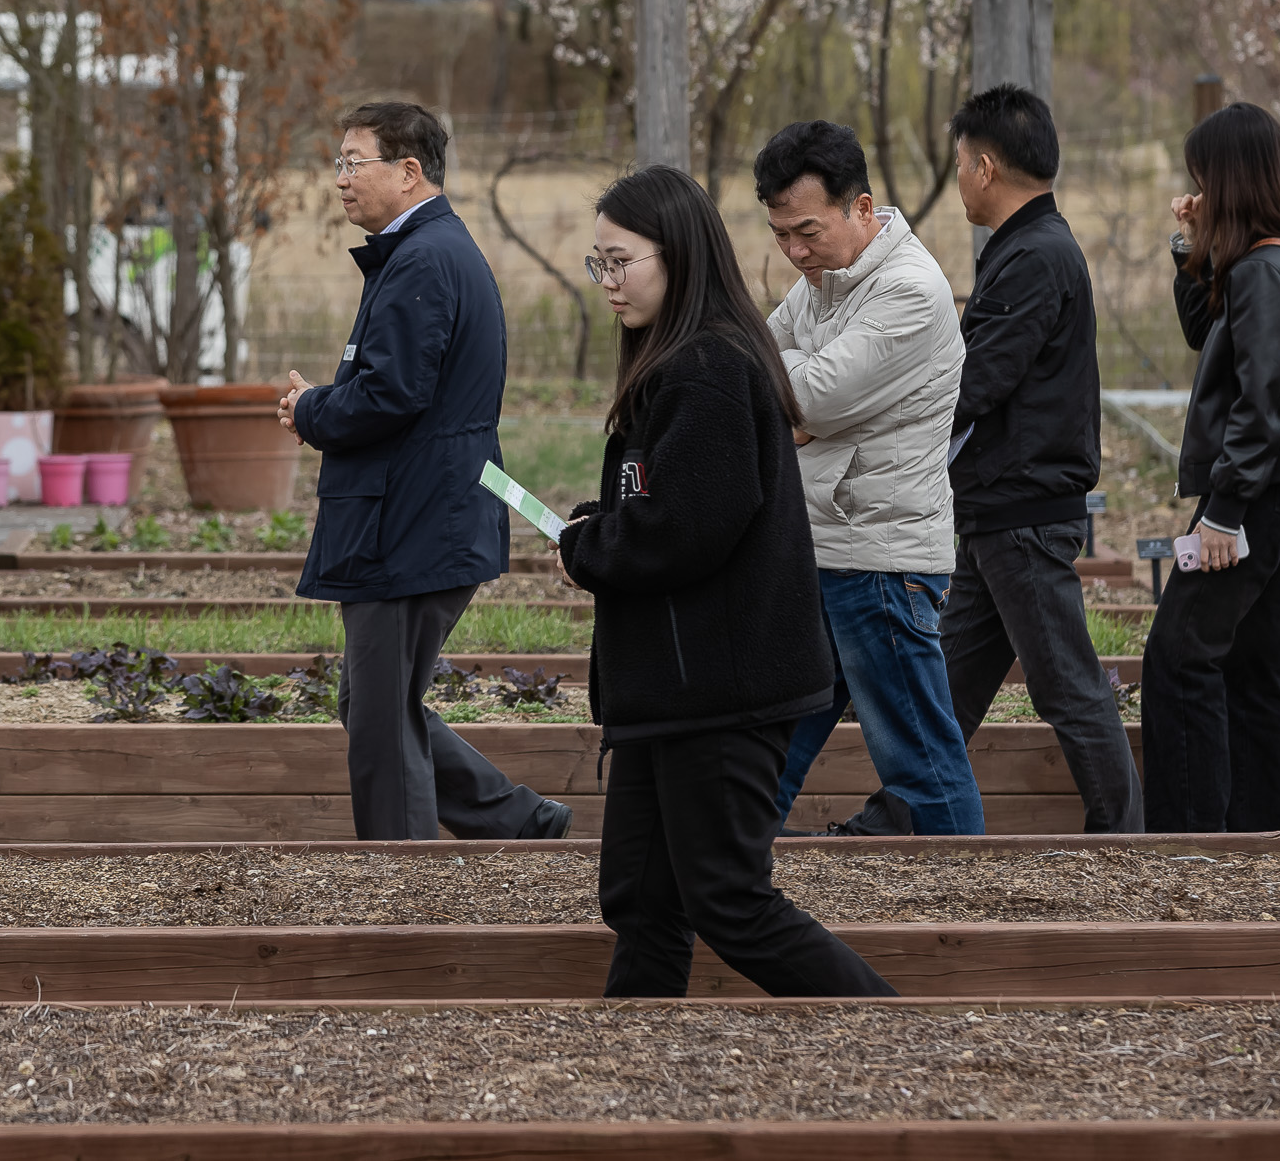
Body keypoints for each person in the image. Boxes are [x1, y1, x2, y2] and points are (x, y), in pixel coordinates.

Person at [557, 166, 896, 998]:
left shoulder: (708, 367)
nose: (607, 282)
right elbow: (665, 499)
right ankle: (637, 1078)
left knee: (729, 898)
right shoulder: (676, 361)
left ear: (677, 256)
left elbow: (685, 531)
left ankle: (892, 1028)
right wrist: (601, 517)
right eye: (596, 262)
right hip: (670, 692)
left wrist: (592, 545)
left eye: (619, 260)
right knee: (642, 898)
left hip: (720, 688)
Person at [278, 101, 569, 842]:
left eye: (353, 161)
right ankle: (521, 819)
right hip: (416, 513)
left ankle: (401, 886)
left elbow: (391, 394)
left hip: (407, 521)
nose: (339, 179)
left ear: (409, 172)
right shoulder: (424, 252)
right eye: (337, 163)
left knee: (379, 717)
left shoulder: (423, 259)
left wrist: (313, 409)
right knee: (374, 703)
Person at [756, 120, 984, 837]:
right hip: (826, 547)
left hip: (882, 561)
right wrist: (789, 396)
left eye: (807, 231)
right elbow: (753, 360)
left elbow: (801, 398)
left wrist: (792, 399)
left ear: (862, 208)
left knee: (920, 761)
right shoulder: (828, 278)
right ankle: (728, 871)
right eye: (781, 234)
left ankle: (974, 918)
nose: (795, 253)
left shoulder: (911, 292)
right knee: (773, 742)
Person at [1147, 102, 1280, 833]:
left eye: (1203, 177)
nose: (1196, 190)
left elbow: (1259, 406)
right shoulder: (1276, 257)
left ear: (1231, 177)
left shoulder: (1267, 270)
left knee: (1178, 654)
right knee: (1262, 662)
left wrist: (1222, 513)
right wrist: (1190, 244)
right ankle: (1266, 833)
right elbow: (1205, 331)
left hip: (1258, 496)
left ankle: (1189, 837)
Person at [937, 86, 1141, 833]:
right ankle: (902, 815)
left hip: (1020, 510)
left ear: (986, 166)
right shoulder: (1028, 248)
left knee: (1068, 687)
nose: (957, 176)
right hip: (997, 509)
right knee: (948, 686)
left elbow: (975, 379)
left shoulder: (1033, 257)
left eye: (960, 162)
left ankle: (1123, 840)